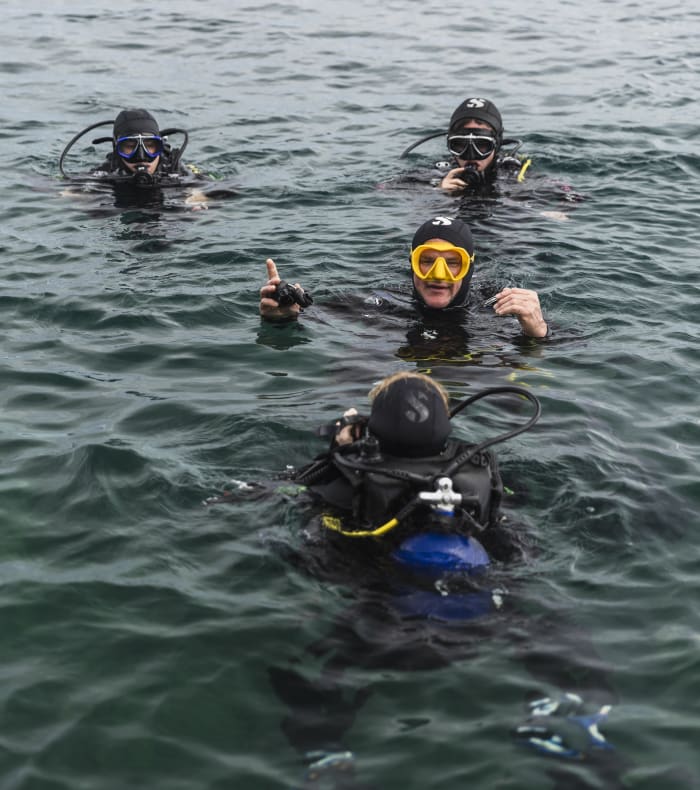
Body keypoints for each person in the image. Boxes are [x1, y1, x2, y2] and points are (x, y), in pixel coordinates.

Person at [259, 215, 549, 339]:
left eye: (452, 264)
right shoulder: (383, 302)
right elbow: (317, 315)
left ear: (469, 269)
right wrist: (285, 315)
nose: (438, 276)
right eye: (426, 262)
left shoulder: (498, 309)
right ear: (411, 265)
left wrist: (538, 332)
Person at [59, 108, 213, 207]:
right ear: (116, 149)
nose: (142, 156)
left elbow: (222, 186)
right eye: (130, 146)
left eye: (150, 145)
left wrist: (201, 194)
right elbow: (58, 188)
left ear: (160, 146)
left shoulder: (174, 168)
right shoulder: (108, 170)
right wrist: (73, 194)